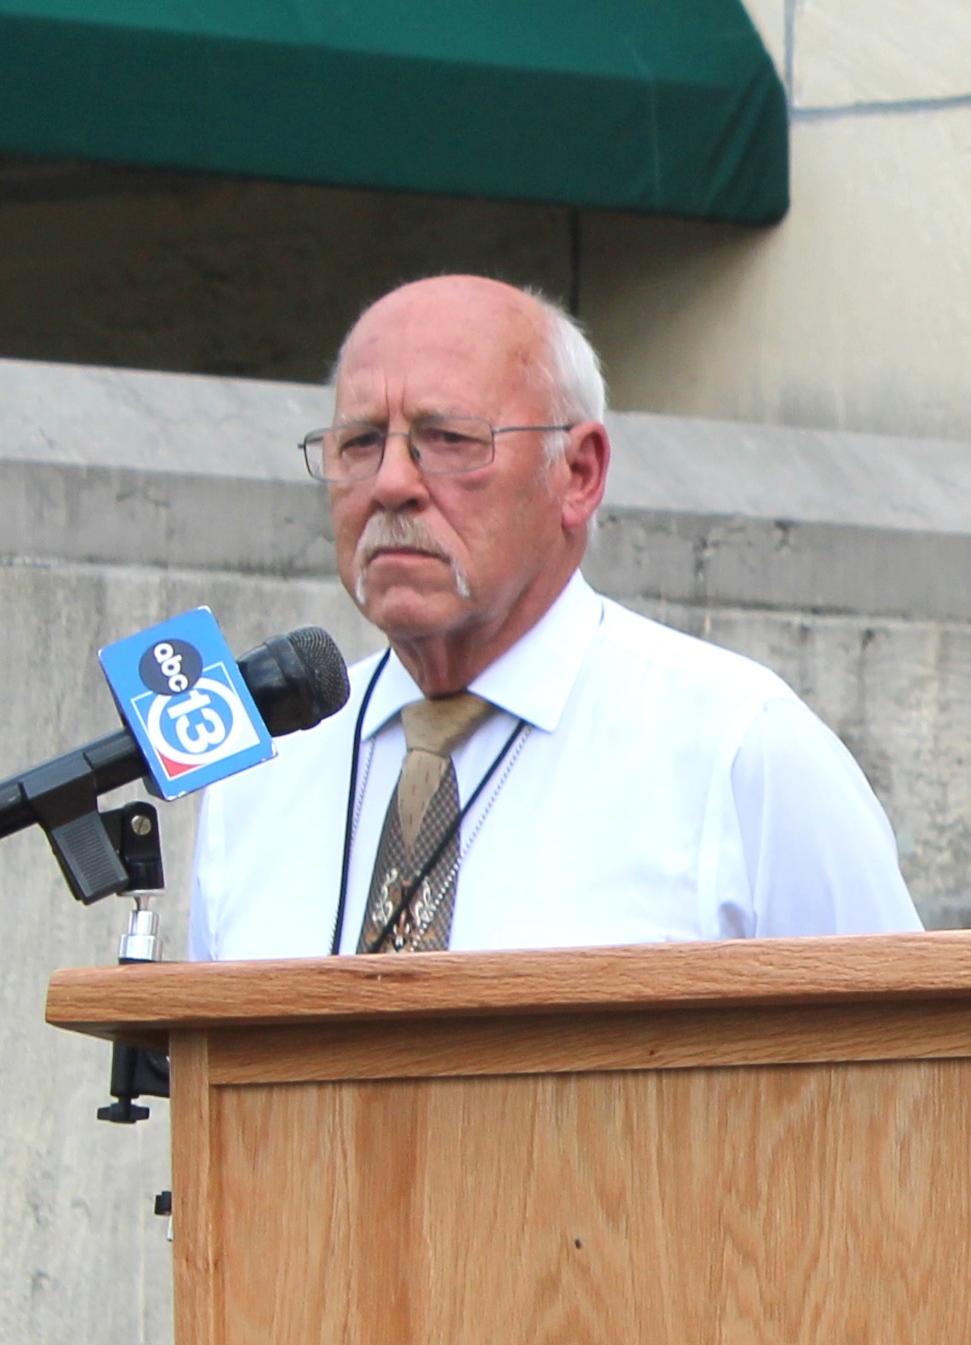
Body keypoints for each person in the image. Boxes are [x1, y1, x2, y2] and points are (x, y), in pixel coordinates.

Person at [191, 275, 917, 957]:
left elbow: (904, 1066)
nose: (391, 483)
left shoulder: (739, 751)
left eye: (449, 439)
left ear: (578, 474)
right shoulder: (261, 778)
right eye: (359, 442)